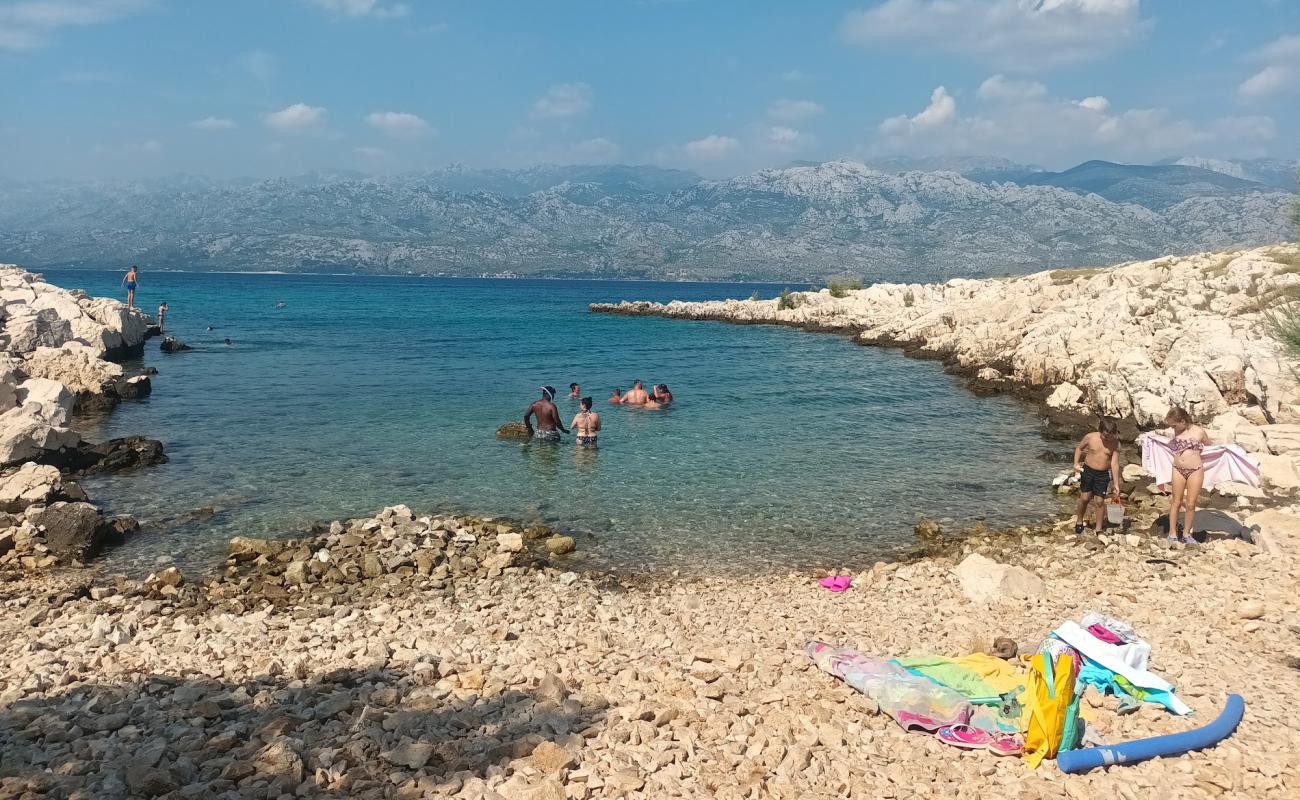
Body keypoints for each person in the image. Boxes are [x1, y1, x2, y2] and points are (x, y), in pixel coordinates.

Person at [1164, 407, 1209, 545]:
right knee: (1175, 502)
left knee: (1190, 504)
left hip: (1195, 470)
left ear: (1183, 421)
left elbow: (1210, 447)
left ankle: (1186, 533)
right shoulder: (1177, 430)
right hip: (1178, 469)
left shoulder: (1200, 432)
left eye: (1174, 425)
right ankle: (1172, 533)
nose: (1173, 428)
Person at [1071, 418, 1123, 535]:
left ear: (1113, 433)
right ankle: (1079, 521)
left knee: (1099, 501)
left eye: (1109, 436)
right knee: (1084, 498)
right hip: (1088, 471)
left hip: (1103, 474)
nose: (1106, 438)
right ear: (1100, 431)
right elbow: (1079, 448)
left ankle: (1099, 529)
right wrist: (1076, 463)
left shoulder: (1115, 444)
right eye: (1104, 435)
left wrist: (1116, 484)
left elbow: (1114, 464)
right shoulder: (1090, 437)